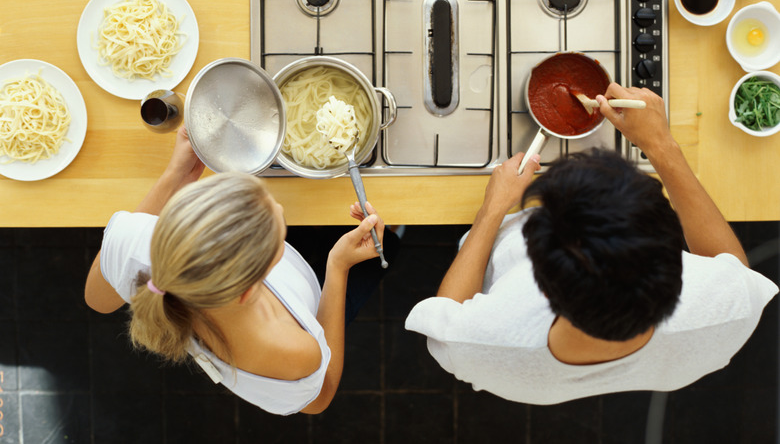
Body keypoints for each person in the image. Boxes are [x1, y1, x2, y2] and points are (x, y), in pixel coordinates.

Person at [405, 83, 778, 405]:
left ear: (541, 284)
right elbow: (729, 264)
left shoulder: (479, 346)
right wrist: (661, 145)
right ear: (677, 264)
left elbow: (447, 308)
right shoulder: (731, 312)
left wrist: (492, 210)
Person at [85, 125, 391, 415]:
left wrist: (176, 174)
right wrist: (338, 266)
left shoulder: (139, 246)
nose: (281, 209)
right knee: (391, 245)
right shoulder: (291, 350)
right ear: (251, 288)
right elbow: (320, 398)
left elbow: (97, 300)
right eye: (279, 236)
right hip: (317, 296)